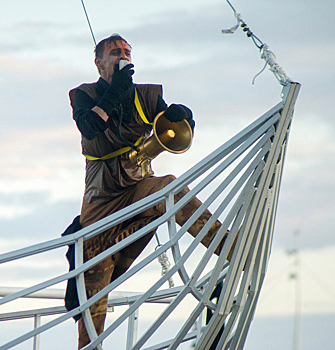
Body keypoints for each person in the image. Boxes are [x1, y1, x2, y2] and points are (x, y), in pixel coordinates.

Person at [68, 34, 229, 348]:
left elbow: (175, 129)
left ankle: (229, 249)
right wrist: (115, 90)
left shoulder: (148, 96)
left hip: (138, 189)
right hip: (101, 203)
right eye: (115, 52)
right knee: (95, 290)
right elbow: (89, 127)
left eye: (127, 51)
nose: (123, 55)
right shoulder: (84, 95)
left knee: (169, 188)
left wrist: (185, 117)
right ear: (99, 62)